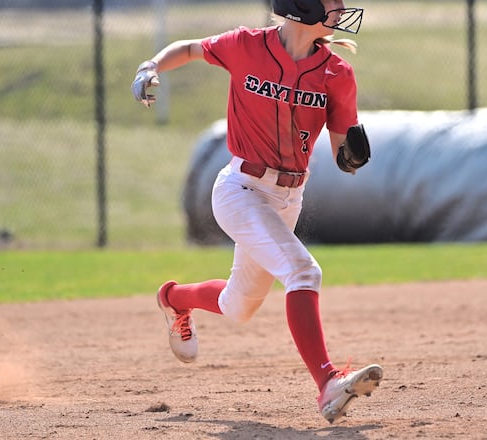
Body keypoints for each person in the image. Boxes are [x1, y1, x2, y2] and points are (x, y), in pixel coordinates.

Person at [131, 0, 381, 424]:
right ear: (302, 6)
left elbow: (342, 149)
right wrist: (149, 66)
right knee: (304, 272)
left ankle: (173, 299)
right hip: (240, 189)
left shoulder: (338, 72)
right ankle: (327, 382)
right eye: (332, 4)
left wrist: (350, 158)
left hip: (288, 198)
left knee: (238, 306)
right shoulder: (246, 45)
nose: (341, 10)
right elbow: (191, 49)